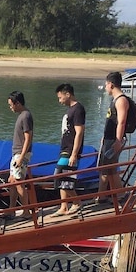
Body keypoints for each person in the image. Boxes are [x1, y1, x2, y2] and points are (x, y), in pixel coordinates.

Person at [53, 84, 86, 216]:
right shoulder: (70, 109)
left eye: (60, 97)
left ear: (68, 94)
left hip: (71, 150)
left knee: (60, 176)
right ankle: (63, 206)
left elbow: (79, 132)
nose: (59, 101)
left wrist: (74, 154)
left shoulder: (78, 109)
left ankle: (77, 202)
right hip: (65, 148)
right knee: (63, 177)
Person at [97, 71, 129, 203]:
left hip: (114, 140)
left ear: (111, 84)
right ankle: (102, 195)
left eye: (106, 84)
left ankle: (120, 194)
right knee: (105, 167)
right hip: (109, 138)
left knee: (111, 167)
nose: (105, 87)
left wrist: (118, 140)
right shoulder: (115, 100)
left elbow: (121, 122)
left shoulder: (121, 100)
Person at [5, 90, 33, 218]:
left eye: (11, 105)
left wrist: (21, 157)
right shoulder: (22, 115)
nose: (10, 108)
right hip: (16, 153)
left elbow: (28, 137)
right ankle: (12, 209)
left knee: (18, 182)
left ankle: (26, 211)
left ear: (17, 103)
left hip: (21, 154)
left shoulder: (26, 116)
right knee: (12, 181)